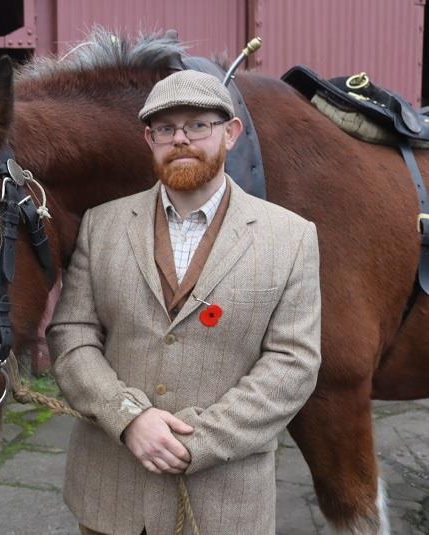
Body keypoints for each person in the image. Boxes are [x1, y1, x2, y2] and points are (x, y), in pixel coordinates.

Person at [48, 70, 322, 535]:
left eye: (198, 125)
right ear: (148, 139)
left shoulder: (291, 237)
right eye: (165, 128)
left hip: (224, 502)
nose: (181, 139)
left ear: (230, 133)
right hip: (111, 494)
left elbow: (294, 362)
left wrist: (200, 442)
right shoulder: (102, 224)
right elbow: (71, 334)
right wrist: (127, 417)